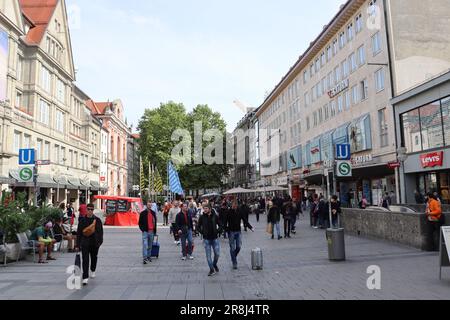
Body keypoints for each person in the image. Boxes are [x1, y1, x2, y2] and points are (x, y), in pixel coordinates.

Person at [75, 203, 104, 286]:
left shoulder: (97, 220)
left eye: (91, 209)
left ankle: (93, 269)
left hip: (95, 243)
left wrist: (99, 242)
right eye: (88, 209)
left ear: (93, 210)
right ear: (86, 210)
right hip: (85, 243)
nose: (90, 211)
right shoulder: (82, 220)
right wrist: (77, 245)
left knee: (94, 258)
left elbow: (100, 232)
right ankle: (85, 277)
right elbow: (79, 233)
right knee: (85, 260)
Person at [225, 202, 253, 270]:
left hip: (238, 231)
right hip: (231, 232)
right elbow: (225, 222)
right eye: (233, 205)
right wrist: (226, 230)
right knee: (232, 247)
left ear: (237, 206)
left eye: (235, 205)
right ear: (231, 205)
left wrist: (250, 227)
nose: (234, 206)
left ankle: (233, 256)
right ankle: (234, 263)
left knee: (239, 246)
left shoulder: (239, 212)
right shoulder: (228, 212)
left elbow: (244, 220)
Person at [198, 203, 221, 277]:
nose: (205, 210)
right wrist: (202, 232)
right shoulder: (201, 217)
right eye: (204, 208)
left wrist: (217, 231)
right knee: (208, 256)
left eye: (206, 208)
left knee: (217, 254)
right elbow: (198, 226)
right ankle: (211, 269)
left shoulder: (215, 216)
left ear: (210, 209)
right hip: (206, 239)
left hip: (214, 238)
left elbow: (221, 225)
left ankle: (214, 264)